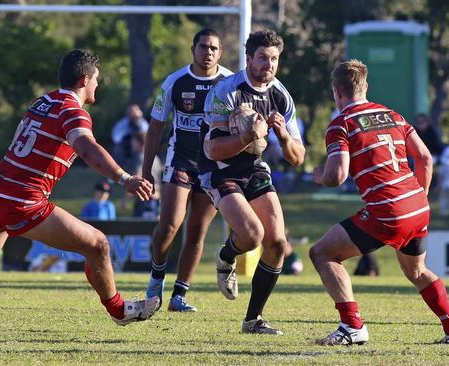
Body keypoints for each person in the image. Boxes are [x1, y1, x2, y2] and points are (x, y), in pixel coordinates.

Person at [0, 49, 159, 333]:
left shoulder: (43, 101)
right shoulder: (72, 110)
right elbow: (87, 149)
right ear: (84, 79)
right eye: (96, 79)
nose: (97, 86)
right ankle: (119, 310)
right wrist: (124, 177)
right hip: (22, 199)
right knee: (98, 245)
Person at [310, 59, 449, 345]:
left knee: (322, 254)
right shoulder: (393, 116)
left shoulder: (342, 123)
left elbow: (336, 176)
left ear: (336, 91)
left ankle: (352, 326)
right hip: (418, 205)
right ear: (365, 86)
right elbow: (424, 158)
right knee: (416, 271)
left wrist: (320, 174)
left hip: (390, 210)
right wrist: (418, 196)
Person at [201, 29, 305, 334]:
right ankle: (226, 255)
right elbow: (212, 148)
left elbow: (298, 158)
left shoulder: (281, 95)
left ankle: (253, 320)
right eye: (262, 58)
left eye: (274, 59)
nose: (268, 64)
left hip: (255, 169)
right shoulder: (226, 91)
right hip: (219, 170)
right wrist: (247, 135)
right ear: (248, 58)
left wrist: (283, 135)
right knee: (251, 235)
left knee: (277, 243)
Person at [143, 28, 232, 312]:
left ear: (220, 52)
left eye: (213, 48)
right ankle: (156, 279)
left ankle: (179, 295)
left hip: (213, 167)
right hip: (179, 162)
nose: (208, 53)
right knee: (169, 225)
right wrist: (146, 171)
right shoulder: (175, 82)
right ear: (193, 49)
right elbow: (155, 127)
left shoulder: (230, 82)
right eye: (203, 47)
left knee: (197, 230)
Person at [111, 104, 149, 172]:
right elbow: (115, 137)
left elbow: (146, 138)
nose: (135, 118)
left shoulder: (144, 124)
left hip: (139, 148)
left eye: (136, 116)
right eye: (133, 116)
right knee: (118, 150)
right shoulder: (123, 123)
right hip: (124, 147)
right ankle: (117, 172)